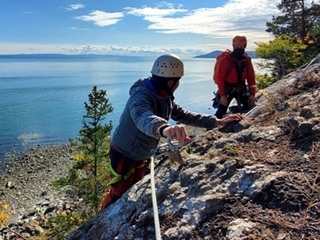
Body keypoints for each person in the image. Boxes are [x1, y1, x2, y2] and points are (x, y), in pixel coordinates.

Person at [100, 54, 244, 211]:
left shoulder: (164, 96)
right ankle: (99, 220)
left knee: (134, 186)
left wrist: (216, 121)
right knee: (119, 192)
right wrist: (164, 128)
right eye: (178, 81)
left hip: (141, 152)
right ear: (171, 82)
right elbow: (142, 116)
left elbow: (183, 115)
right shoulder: (141, 96)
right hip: (124, 152)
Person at [214, 36, 256, 119]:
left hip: (241, 88)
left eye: (241, 47)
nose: (238, 49)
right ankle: (211, 126)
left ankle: (235, 110)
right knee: (221, 111)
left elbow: (251, 77)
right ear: (233, 47)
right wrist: (223, 96)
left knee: (250, 106)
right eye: (236, 47)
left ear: (244, 47)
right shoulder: (225, 60)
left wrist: (252, 94)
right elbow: (220, 78)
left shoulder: (247, 59)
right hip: (227, 89)